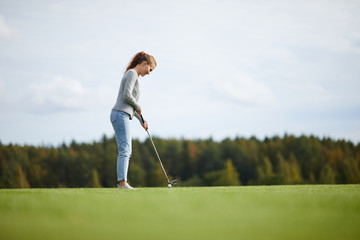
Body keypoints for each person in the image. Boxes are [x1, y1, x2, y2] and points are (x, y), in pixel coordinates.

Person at [110, 51, 157, 189]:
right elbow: (127, 96)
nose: (149, 73)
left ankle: (122, 183)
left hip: (122, 114)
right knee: (125, 150)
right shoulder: (132, 74)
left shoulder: (133, 75)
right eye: (150, 69)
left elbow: (130, 104)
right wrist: (138, 106)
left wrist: (141, 120)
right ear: (144, 64)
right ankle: (122, 183)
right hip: (120, 114)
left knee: (126, 150)